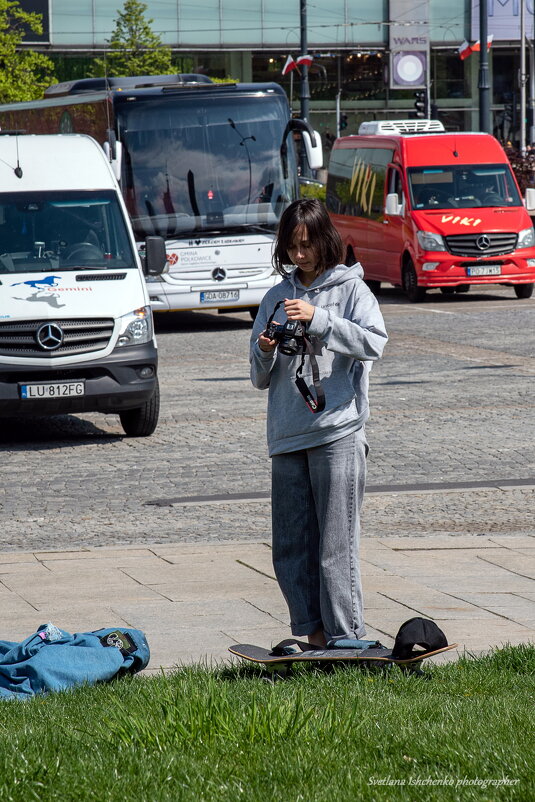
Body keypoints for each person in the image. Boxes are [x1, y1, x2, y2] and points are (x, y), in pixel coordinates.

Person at [249, 198, 388, 647]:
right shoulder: (275, 297)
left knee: (335, 546)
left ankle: (346, 638)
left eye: (307, 244)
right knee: (290, 547)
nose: (299, 254)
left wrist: (320, 319)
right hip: (287, 435)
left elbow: (374, 343)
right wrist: (265, 349)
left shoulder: (351, 290)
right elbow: (258, 378)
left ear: (325, 240)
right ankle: (311, 636)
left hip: (337, 431)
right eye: (291, 246)